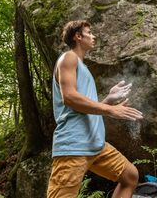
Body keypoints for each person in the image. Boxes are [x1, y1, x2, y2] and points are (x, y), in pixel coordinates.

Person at [46, 20, 144, 198]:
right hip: (74, 145)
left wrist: (108, 100)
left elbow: (84, 107)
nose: (94, 36)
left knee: (130, 176)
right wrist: (111, 110)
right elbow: (69, 98)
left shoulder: (83, 67)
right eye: (89, 32)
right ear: (78, 36)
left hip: (95, 145)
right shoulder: (68, 58)